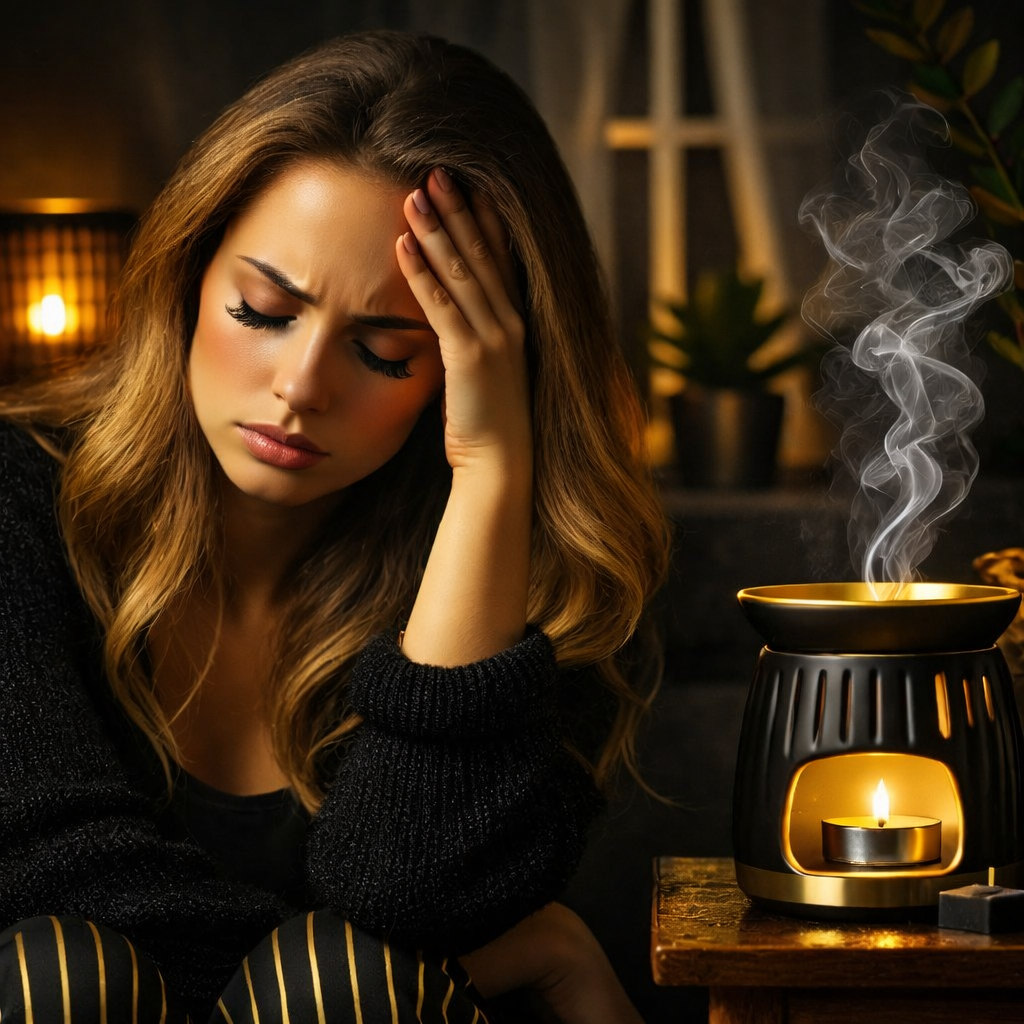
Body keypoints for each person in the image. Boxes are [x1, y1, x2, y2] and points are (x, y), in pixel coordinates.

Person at [0, 29, 669, 1024]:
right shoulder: (18, 499)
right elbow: (47, 882)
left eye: (387, 353)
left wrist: (490, 471)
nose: (299, 388)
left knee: (347, 979)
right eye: (264, 309)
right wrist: (511, 955)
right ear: (188, 276)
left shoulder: (529, 581)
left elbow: (415, 896)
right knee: (64, 970)